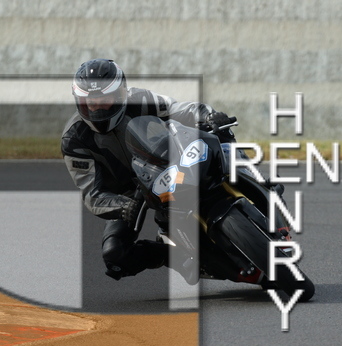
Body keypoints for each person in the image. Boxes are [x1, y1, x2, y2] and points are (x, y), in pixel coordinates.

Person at [61, 58, 235, 280]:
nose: (97, 108)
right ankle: (175, 257)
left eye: (104, 100)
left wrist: (208, 116)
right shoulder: (73, 139)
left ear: (120, 93)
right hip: (129, 195)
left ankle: (260, 190)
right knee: (115, 254)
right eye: (90, 102)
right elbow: (92, 195)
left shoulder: (140, 99)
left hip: (165, 165)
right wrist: (123, 206)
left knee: (221, 147)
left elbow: (179, 109)